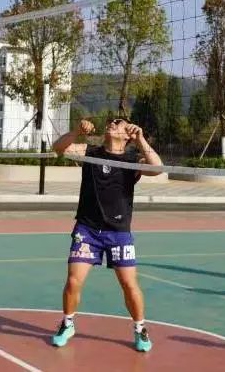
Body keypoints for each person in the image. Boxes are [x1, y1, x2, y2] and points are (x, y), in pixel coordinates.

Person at [50, 117, 163, 352]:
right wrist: (76, 131)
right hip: (87, 229)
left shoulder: (132, 161)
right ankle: (67, 323)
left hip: (118, 232)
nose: (112, 123)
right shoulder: (91, 152)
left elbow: (157, 168)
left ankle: (140, 328)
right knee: (73, 280)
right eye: (111, 121)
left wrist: (140, 139)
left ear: (127, 134)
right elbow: (58, 148)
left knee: (129, 284)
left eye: (118, 122)